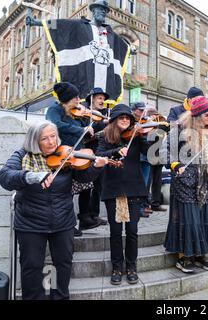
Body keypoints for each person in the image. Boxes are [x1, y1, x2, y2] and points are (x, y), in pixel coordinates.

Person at [0, 122, 108, 300]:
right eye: (44, 138)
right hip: (30, 223)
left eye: (53, 137)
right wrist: (30, 176)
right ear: (35, 141)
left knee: (61, 265)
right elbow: (5, 177)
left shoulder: (66, 155)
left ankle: (58, 296)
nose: (51, 142)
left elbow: (83, 177)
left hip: (62, 221)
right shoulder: (22, 155)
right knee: (32, 267)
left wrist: (96, 167)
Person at [164, 96, 208, 273]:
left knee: (205, 219)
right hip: (186, 183)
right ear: (196, 116)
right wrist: (177, 165)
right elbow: (165, 152)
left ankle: (200, 255)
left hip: (206, 183)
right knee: (188, 220)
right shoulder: (179, 130)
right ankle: (183, 257)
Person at [96, 104, 149, 285]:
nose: (126, 120)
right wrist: (116, 151)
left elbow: (149, 154)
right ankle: (117, 267)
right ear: (114, 120)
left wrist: (144, 136)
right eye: (122, 117)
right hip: (114, 189)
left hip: (133, 188)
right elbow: (99, 155)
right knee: (116, 232)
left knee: (132, 231)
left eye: (128, 118)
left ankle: (131, 266)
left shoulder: (136, 135)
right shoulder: (105, 136)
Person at [46, 82, 102, 235]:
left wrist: (96, 124)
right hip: (63, 156)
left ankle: (84, 218)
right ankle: (67, 226)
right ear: (67, 98)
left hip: (77, 155)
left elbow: (87, 129)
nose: (79, 100)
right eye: (75, 97)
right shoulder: (55, 109)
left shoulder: (74, 112)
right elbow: (55, 125)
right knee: (66, 193)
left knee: (86, 186)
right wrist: (79, 129)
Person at [78, 87, 111, 227]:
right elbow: (87, 133)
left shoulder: (103, 115)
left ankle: (94, 215)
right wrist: (101, 124)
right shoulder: (83, 113)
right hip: (86, 152)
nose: (102, 101)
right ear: (91, 98)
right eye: (99, 98)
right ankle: (84, 215)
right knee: (86, 185)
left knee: (98, 185)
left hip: (99, 151)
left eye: (103, 99)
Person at [132, 102, 153, 217]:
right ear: (134, 110)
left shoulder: (147, 121)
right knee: (136, 183)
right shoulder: (129, 120)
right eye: (140, 110)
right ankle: (136, 208)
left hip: (146, 156)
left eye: (144, 111)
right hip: (135, 157)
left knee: (144, 184)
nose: (142, 113)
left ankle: (141, 207)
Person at [144, 106, 167, 212]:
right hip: (148, 155)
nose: (155, 117)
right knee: (147, 181)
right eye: (152, 115)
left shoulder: (160, 124)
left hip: (158, 156)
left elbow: (164, 132)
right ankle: (145, 204)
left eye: (156, 115)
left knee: (157, 181)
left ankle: (155, 203)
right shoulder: (145, 124)